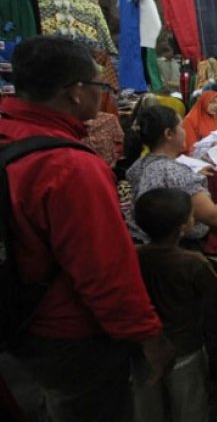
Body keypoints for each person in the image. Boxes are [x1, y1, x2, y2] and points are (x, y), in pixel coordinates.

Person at [0, 35, 173, 421]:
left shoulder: (9, 133)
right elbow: (105, 271)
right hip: (69, 333)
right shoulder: (69, 167)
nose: (103, 94)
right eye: (100, 85)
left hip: (18, 319)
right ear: (76, 93)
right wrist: (149, 337)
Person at [132, 188, 217, 422]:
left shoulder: (135, 255)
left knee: (148, 408)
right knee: (190, 405)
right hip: (185, 347)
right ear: (183, 226)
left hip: (144, 345)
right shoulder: (190, 262)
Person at [126, 105, 217, 244]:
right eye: (181, 127)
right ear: (169, 134)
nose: (185, 132)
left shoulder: (140, 164)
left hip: (142, 243)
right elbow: (213, 216)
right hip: (176, 245)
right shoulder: (174, 172)